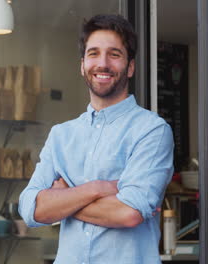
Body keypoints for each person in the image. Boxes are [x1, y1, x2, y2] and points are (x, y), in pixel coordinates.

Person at [19, 14, 174, 264]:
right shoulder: (61, 135)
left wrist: (65, 199)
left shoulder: (152, 130)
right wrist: (97, 189)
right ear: (82, 65)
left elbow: (128, 213)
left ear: (130, 67)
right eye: (93, 53)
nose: (102, 63)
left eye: (114, 54)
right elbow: (30, 208)